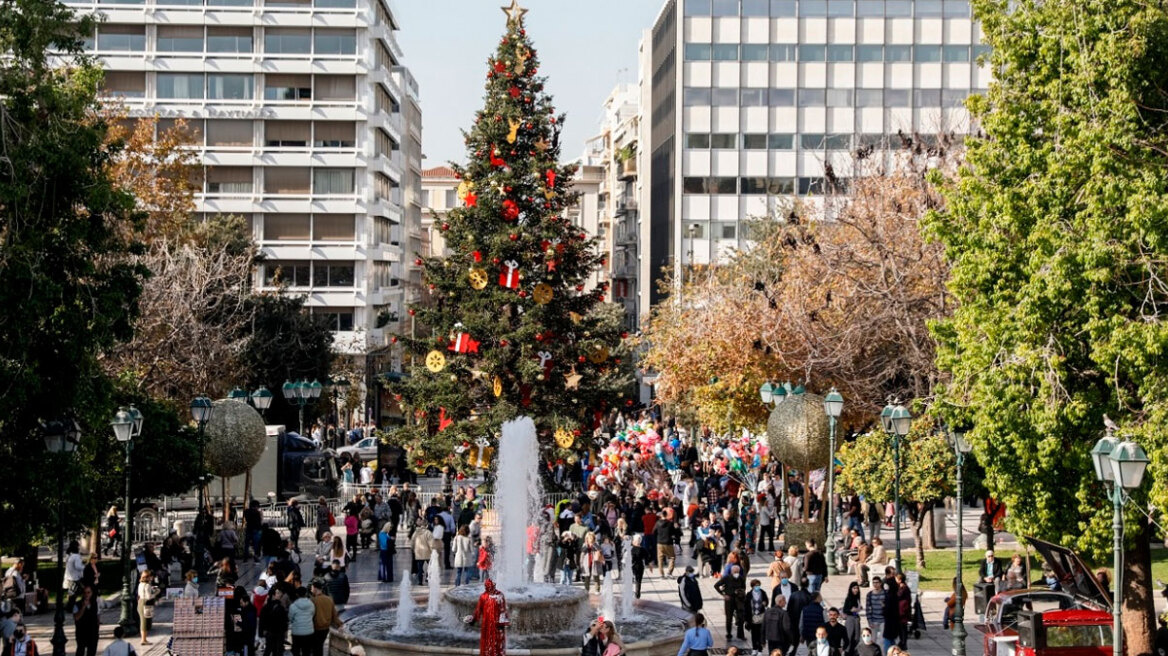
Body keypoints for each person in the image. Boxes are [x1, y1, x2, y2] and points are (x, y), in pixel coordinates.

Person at [464, 579, 507, 656]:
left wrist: (502, 623)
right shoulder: (487, 596)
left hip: (494, 624)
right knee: (492, 641)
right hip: (490, 624)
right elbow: (478, 611)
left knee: (493, 641)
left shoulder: (491, 596)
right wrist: (473, 620)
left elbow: (502, 610)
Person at [714, 563, 747, 642]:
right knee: (729, 618)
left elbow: (744, 587)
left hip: (739, 600)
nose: (736, 573)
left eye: (737, 572)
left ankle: (740, 634)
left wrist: (741, 592)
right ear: (732, 572)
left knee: (741, 618)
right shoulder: (726, 578)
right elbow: (716, 585)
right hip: (729, 600)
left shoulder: (741, 578)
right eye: (735, 572)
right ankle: (729, 634)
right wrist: (723, 594)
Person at [310, 579, 342, 656]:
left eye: (311, 588)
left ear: (315, 588)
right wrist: (340, 624)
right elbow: (334, 615)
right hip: (325, 628)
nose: (311, 590)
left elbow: (311, 615)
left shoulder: (313, 600)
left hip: (316, 628)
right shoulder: (329, 599)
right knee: (319, 646)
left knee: (316, 649)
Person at [71, 585, 100, 656]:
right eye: (85, 593)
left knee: (92, 651)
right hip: (81, 632)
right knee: (80, 650)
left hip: (93, 632)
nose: (86, 594)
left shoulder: (95, 603)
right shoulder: (77, 605)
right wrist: (83, 607)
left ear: (92, 593)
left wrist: (97, 627)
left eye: (88, 592)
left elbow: (98, 616)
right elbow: (76, 617)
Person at [260, 586, 289, 656]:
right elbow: (284, 621)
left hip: (269, 632)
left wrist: (262, 632)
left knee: (268, 649)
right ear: (273, 596)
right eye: (277, 593)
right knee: (277, 651)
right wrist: (285, 631)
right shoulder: (280, 607)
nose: (279, 595)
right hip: (279, 633)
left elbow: (262, 621)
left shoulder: (265, 607)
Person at [288, 587, 316, 656]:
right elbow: (313, 614)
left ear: (297, 594)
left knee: (296, 651)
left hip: (296, 632)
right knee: (306, 652)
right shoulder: (311, 604)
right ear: (306, 594)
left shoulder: (293, 606)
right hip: (309, 631)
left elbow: (290, 618)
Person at [746, 578, 769, 655]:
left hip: (761, 616)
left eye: (758, 585)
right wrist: (746, 619)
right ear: (752, 586)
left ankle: (760, 650)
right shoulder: (749, 595)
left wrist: (765, 603)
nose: (757, 587)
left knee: (760, 634)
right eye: (756, 585)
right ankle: (754, 648)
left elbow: (766, 601)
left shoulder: (763, 592)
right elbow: (746, 607)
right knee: (754, 634)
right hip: (752, 617)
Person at [136, 570, 159, 645]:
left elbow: (141, 593)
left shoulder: (140, 584)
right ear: (148, 577)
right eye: (151, 576)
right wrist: (156, 592)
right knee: (145, 622)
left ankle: (144, 639)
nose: (152, 578)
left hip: (140, 602)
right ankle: (143, 640)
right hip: (146, 603)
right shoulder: (147, 585)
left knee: (143, 621)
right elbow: (149, 597)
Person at [842, 583, 863, 656]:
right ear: (851, 589)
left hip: (856, 618)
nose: (856, 590)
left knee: (857, 637)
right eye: (854, 588)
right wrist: (852, 610)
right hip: (850, 619)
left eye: (857, 588)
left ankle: (854, 651)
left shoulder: (857, 597)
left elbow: (857, 608)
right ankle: (847, 652)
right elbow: (845, 610)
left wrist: (858, 609)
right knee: (849, 637)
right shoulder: (849, 598)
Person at [865, 577, 886, 644]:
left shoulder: (885, 593)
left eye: (877, 582)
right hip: (874, 620)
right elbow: (868, 608)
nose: (875, 584)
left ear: (880, 583)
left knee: (882, 640)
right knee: (873, 639)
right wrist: (869, 621)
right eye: (874, 583)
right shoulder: (870, 594)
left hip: (883, 620)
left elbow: (889, 607)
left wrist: (884, 605)